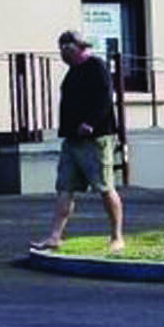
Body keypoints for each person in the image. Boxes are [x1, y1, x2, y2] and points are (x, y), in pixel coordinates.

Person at [34, 28, 127, 254]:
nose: (63, 53)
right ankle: (55, 237)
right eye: (61, 48)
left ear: (79, 48)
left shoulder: (96, 67)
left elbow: (105, 98)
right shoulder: (72, 72)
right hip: (72, 140)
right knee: (65, 188)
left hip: (96, 139)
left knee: (105, 187)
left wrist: (90, 122)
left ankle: (117, 237)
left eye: (67, 48)